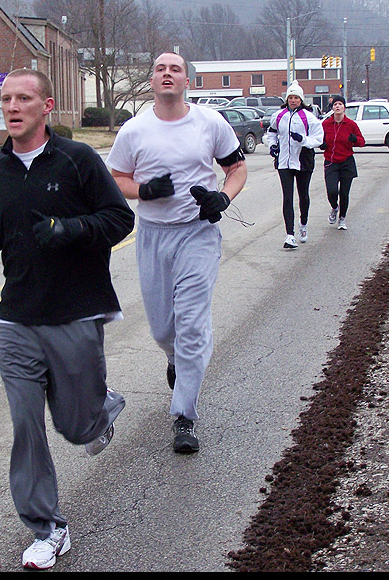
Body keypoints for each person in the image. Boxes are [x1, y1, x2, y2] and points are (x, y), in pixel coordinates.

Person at [0, 68, 134, 570]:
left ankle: (99, 408)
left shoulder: (77, 159)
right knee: (25, 424)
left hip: (74, 311)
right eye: (6, 99)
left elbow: (119, 218)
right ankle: (48, 528)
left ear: (47, 106)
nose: (12, 107)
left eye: (23, 98)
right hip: (16, 316)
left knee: (76, 429)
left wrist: (69, 229)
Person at [106, 52, 247, 454]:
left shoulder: (210, 122)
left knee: (192, 324)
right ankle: (174, 358)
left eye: (176, 69)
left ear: (188, 81)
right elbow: (117, 178)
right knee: (162, 329)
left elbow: (236, 169)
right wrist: (144, 190)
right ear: (152, 80)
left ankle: (184, 414)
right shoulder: (135, 130)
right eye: (160, 69)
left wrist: (222, 197)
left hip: (197, 233)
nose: (167, 74)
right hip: (153, 236)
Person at [265, 81, 324, 249]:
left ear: (301, 100)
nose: (293, 100)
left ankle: (303, 224)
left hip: (303, 160)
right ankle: (289, 235)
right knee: (287, 197)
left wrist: (303, 139)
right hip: (284, 161)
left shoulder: (308, 117)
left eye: (296, 98)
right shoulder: (279, 115)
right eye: (290, 97)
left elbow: (318, 139)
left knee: (303, 195)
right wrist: (273, 146)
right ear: (287, 99)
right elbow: (271, 132)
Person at [321, 94, 365, 230]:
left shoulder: (351, 124)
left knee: (344, 193)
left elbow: (362, 141)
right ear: (332, 108)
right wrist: (321, 144)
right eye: (335, 104)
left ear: (344, 107)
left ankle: (342, 219)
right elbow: (319, 139)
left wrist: (355, 140)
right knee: (332, 191)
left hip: (347, 162)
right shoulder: (326, 124)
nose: (337, 106)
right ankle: (335, 208)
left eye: (340, 104)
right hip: (331, 162)